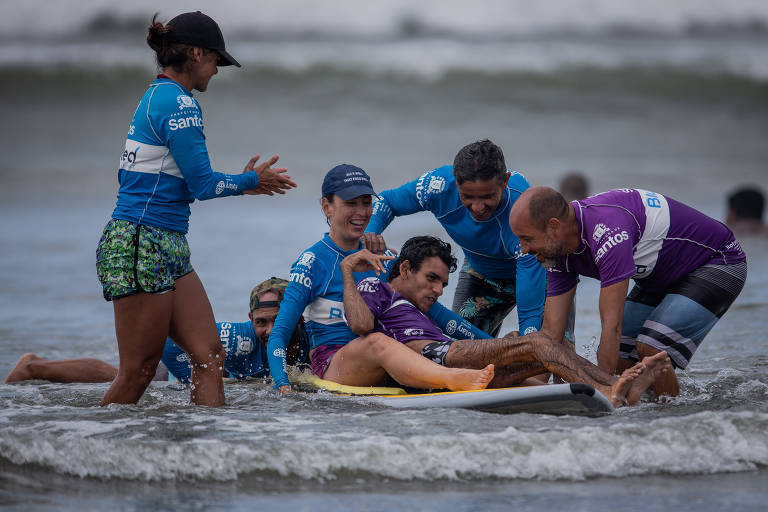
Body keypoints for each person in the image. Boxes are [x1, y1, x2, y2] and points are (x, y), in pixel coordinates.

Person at [95, 11, 296, 407]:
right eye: (216, 60)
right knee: (138, 371)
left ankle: (206, 452)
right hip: (141, 243)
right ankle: (91, 450)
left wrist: (244, 184)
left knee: (208, 355)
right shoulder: (179, 103)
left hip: (163, 241)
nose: (217, 70)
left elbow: (177, 181)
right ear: (197, 54)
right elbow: (203, 186)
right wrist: (251, 181)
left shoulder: (158, 95)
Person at [342, 236, 671, 407]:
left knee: (531, 344)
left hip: (452, 357)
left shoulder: (424, 308)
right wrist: (348, 271)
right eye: (431, 278)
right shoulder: (376, 287)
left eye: (443, 282)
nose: (439, 290)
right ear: (403, 269)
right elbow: (359, 325)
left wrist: (507, 342)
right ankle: (610, 385)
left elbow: (468, 334)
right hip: (435, 358)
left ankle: (611, 390)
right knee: (538, 343)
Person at [266, 164, 495, 394]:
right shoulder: (311, 262)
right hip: (335, 365)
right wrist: (282, 385)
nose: (362, 212)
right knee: (376, 341)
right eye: (351, 203)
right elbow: (279, 334)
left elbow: (441, 317)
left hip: (388, 359)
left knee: (437, 342)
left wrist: (490, 344)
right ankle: (452, 379)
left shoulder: (382, 258)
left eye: (366, 203)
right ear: (327, 207)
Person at [509, 186, 748, 397]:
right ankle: (644, 410)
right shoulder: (557, 252)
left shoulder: (608, 231)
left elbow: (611, 326)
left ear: (553, 227)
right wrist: (522, 382)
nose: (523, 249)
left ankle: (672, 415)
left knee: (650, 348)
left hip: (719, 261)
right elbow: (551, 335)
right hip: (663, 275)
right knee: (624, 357)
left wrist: (602, 393)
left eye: (527, 239)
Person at [365, 139, 545, 337]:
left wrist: (530, 340)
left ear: (505, 181)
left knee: (547, 352)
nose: (478, 207)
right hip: (483, 275)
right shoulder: (438, 187)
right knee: (466, 354)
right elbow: (386, 201)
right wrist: (370, 234)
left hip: (538, 270)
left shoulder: (524, 212)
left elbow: (530, 313)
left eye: (487, 197)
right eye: (468, 196)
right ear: (455, 181)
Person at [5, 278, 309, 385]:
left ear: (297, 317)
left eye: (278, 320)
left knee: (121, 374)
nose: (269, 330)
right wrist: (206, 376)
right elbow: (171, 343)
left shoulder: (311, 338)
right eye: (261, 322)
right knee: (128, 376)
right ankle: (33, 366)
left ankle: (35, 365)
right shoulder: (238, 338)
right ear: (249, 319)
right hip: (174, 359)